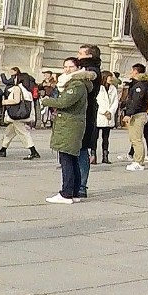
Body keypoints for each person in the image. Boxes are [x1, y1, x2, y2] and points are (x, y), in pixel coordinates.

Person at [46, 56, 95, 203]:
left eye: (71, 67)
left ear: (78, 69)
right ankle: (73, 192)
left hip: (70, 126)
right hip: (70, 125)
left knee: (66, 159)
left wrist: (46, 100)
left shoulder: (77, 85)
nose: (67, 69)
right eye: (65, 67)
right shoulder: (73, 83)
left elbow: (64, 101)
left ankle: (66, 193)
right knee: (72, 158)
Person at [0, 69, 40, 159]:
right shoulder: (27, 89)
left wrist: (4, 102)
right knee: (9, 132)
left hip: (17, 115)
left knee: (23, 133)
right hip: (23, 114)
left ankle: (33, 151)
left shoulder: (18, 88)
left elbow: (16, 100)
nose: (13, 79)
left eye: (15, 78)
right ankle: (3, 149)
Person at [121, 64, 148, 171]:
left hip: (138, 114)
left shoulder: (140, 86)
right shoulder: (138, 85)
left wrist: (129, 113)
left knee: (136, 139)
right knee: (134, 138)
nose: (130, 73)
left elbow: (136, 101)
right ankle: (137, 159)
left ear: (136, 72)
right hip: (138, 114)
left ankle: (138, 161)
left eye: (132, 71)